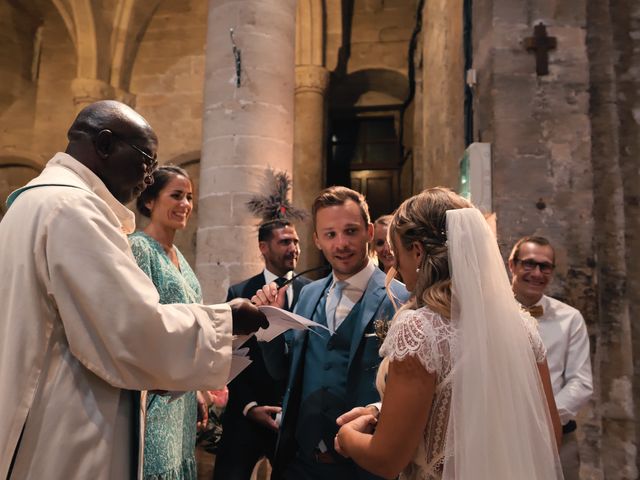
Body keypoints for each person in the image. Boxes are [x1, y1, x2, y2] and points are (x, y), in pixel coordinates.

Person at [0, 100, 267, 480]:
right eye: (147, 161)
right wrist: (228, 318)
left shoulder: (32, 203)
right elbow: (133, 330)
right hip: (63, 430)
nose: (148, 176)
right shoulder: (74, 209)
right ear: (105, 145)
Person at [334, 187, 563, 480]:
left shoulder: (421, 329)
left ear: (417, 251)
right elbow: (548, 441)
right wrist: (380, 412)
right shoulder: (524, 329)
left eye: (397, 253)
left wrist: (348, 434)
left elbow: (386, 459)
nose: (396, 268)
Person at [253, 186, 409, 480]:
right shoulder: (308, 295)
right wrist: (269, 323)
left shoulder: (399, 298)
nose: (341, 244)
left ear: (369, 231)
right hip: (301, 462)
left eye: (351, 231)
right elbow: (283, 371)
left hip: (365, 466)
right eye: (330, 234)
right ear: (317, 240)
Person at [214, 218, 311, 480]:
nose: (293, 248)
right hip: (247, 414)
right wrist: (249, 406)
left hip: (293, 419)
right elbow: (230, 353)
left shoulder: (312, 292)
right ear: (263, 247)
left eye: (296, 242)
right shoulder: (241, 291)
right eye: (284, 242)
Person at [129, 165, 205, 479]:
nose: (185, 204)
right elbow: (139, 323)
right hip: (157, 391)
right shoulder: (138, 248)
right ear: (149, 201)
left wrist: (198, 389)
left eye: (189, 197)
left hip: (183, 394)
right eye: (176, 196)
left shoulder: (178, 255)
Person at [509, 236, 593, 480]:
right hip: (503, 431)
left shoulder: (571, 319)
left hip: (559, 437)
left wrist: (547, 418)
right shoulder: (489, 313)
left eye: (545, 266)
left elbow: (581, 382)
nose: (537, 273)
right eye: (528, 264)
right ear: (511, 265)